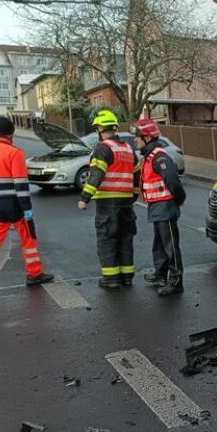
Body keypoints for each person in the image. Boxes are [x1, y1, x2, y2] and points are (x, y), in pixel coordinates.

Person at [0, 116, 54, 298]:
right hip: (14, 205)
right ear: (11, 133)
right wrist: (27, 209)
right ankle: (34, 274)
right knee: (28, 239)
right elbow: (21, 184)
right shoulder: (14, 152)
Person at [77, 110, 139, 289]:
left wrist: (84, 198)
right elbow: (137, 175)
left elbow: (96, 174)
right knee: (125, 239)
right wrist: (133, 196)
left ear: (100, 129)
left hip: (107, 204)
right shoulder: (128, 149)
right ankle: (126, 277)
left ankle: (111, 278)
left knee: (107, 239)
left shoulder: (103, 148)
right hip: (127, 203)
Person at [131, 119, 186, 296]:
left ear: (147, 138)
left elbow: (173, 182)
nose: (135, 140)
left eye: (137, 137)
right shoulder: (150, 156)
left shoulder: (159, 157)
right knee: (160, 244)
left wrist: (179, 199)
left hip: (165, 207)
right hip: (157, 207)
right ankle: (160, 274)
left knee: (170, 246)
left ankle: (176, 282)